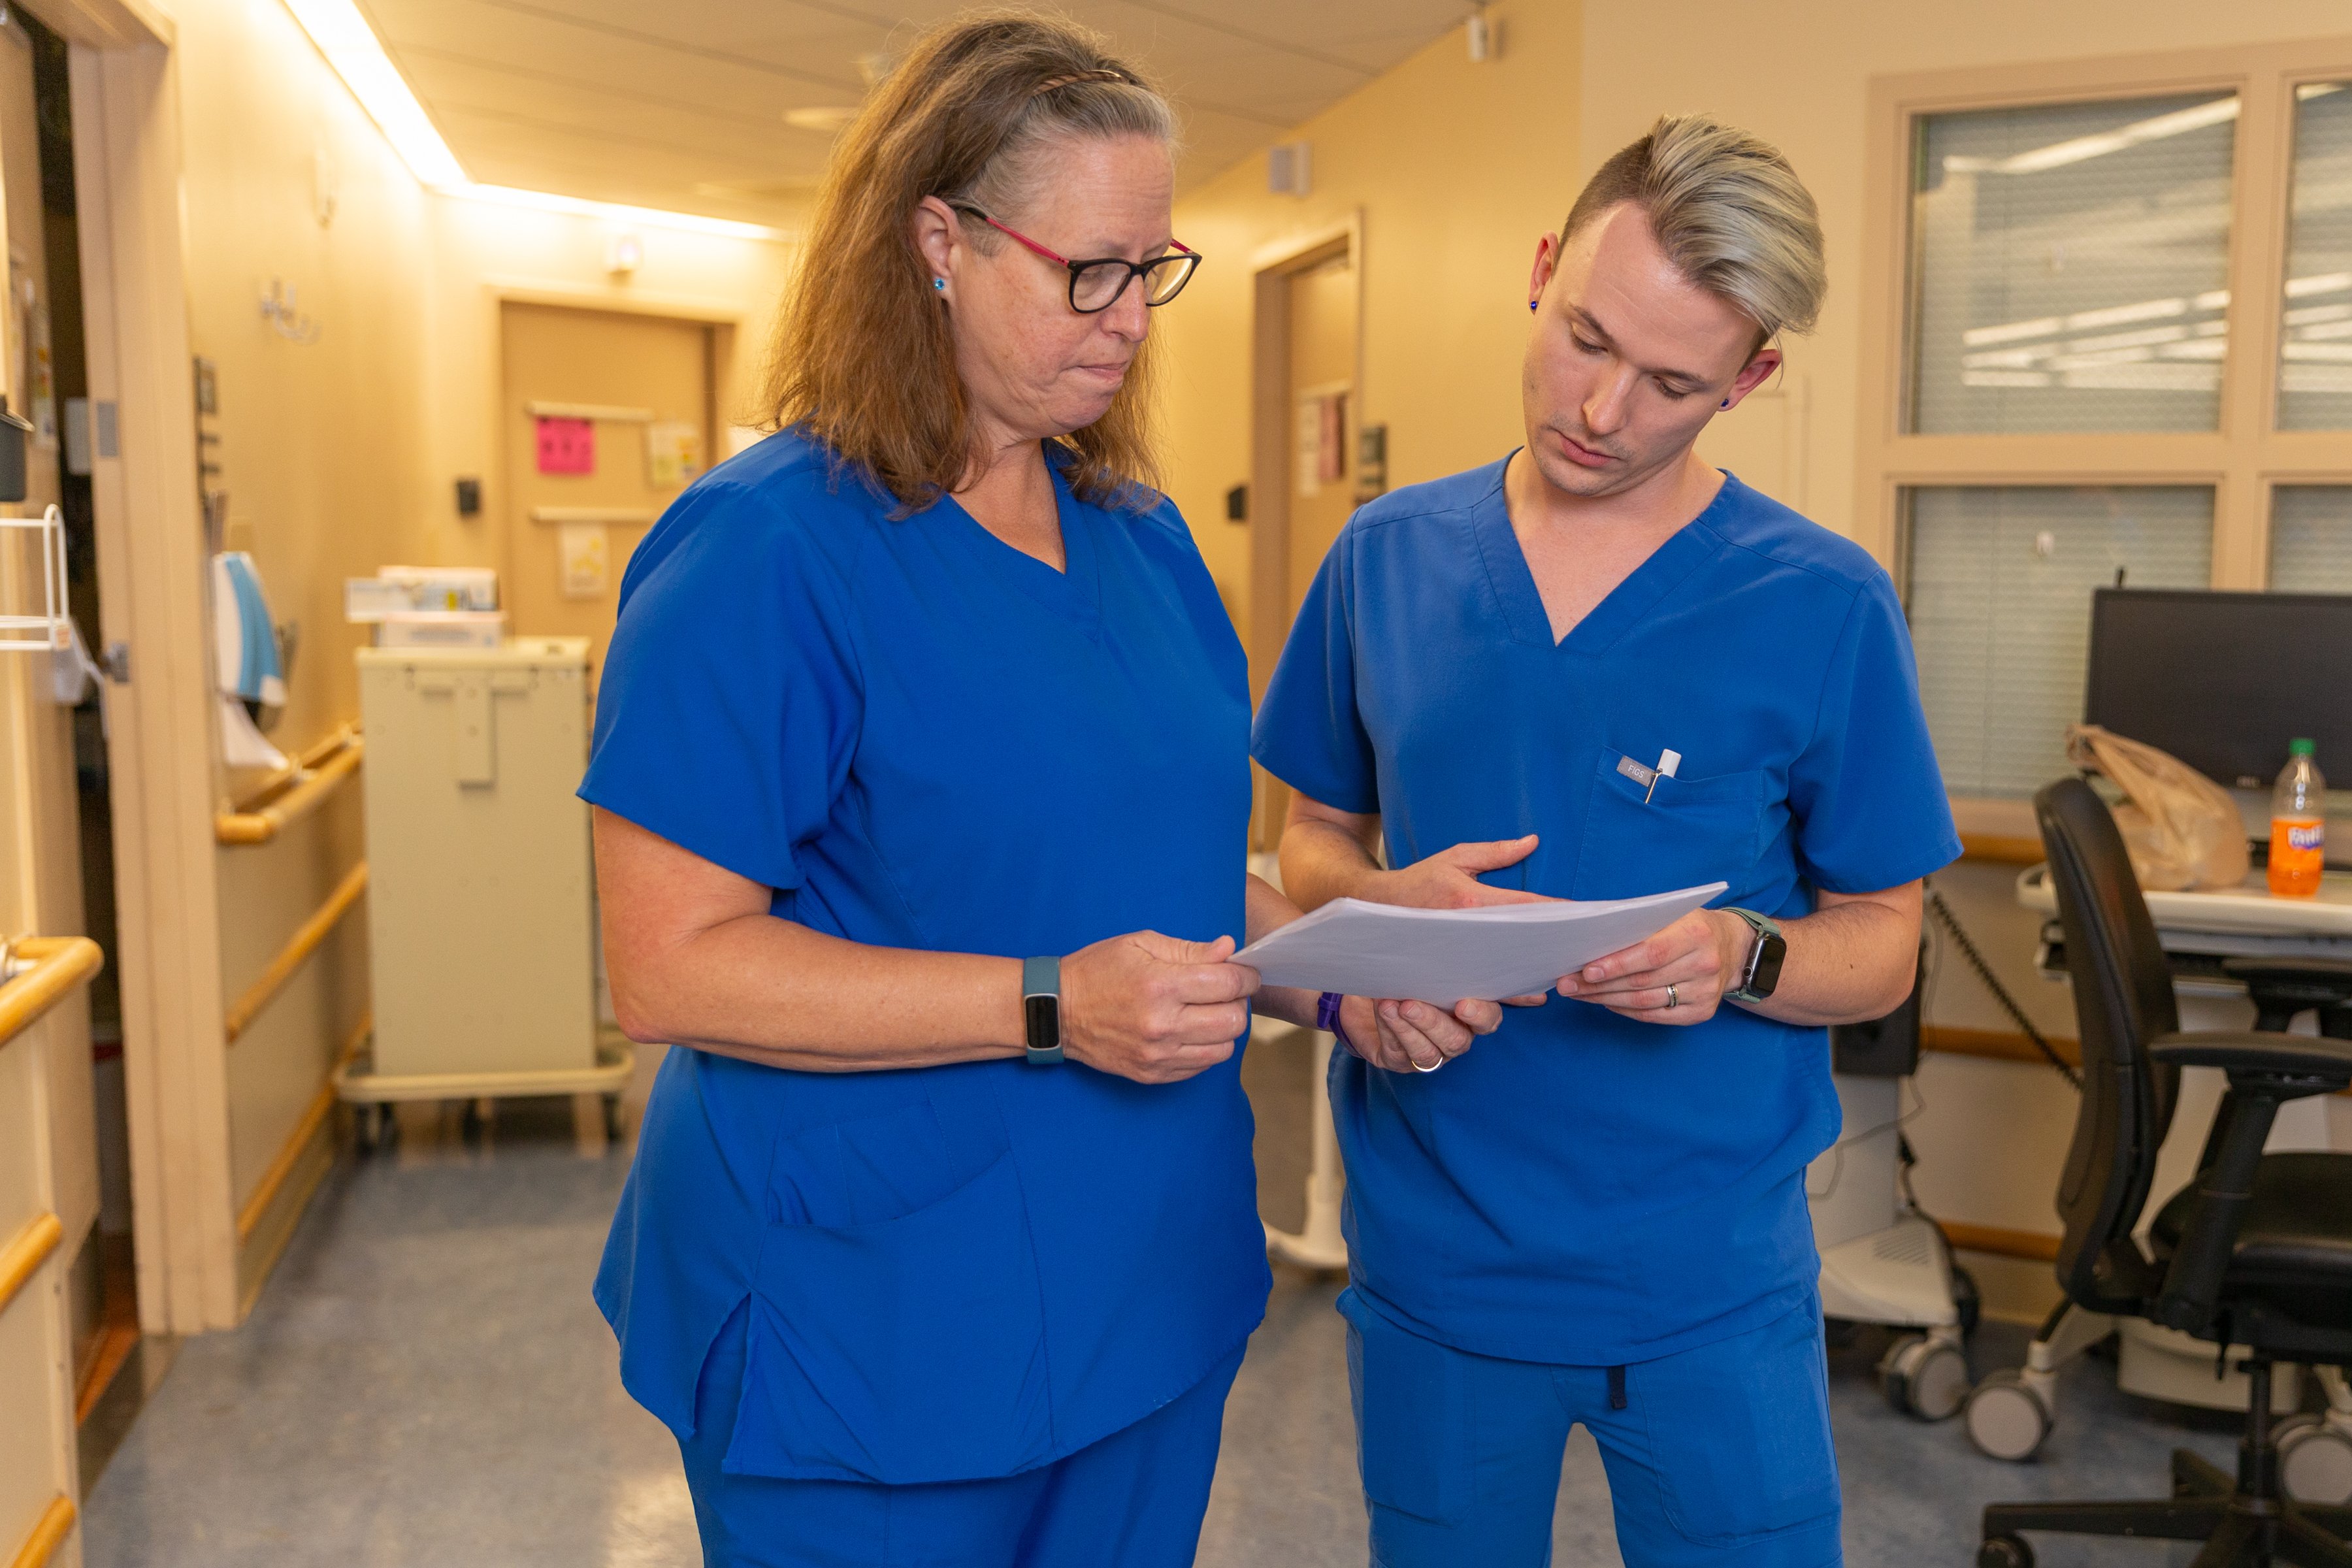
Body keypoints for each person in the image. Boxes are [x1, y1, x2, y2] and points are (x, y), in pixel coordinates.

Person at [582, 16, 1495, 1568]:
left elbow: (1174, 868)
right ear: (937, 240)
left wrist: (1348, 977)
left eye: (1154, 268)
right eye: (1090, 269)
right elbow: (665, 967)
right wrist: (1056, 1004)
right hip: (874, 1327)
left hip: (1148, 1289)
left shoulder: (1136, 537)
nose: (1131, 316)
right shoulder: (768, 550)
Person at [1252, 116, 1962, 1567]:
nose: (1602, 409)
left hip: (1707, 1282)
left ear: (1750, 380)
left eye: (1674, 384)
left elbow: (1886, 942)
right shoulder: (1384, 560)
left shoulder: (1822, 606)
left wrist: (1740, 955)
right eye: (1585, 339)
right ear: (1542, 273)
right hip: (1439, 1265)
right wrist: (1387, 904)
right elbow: (1307, 840)